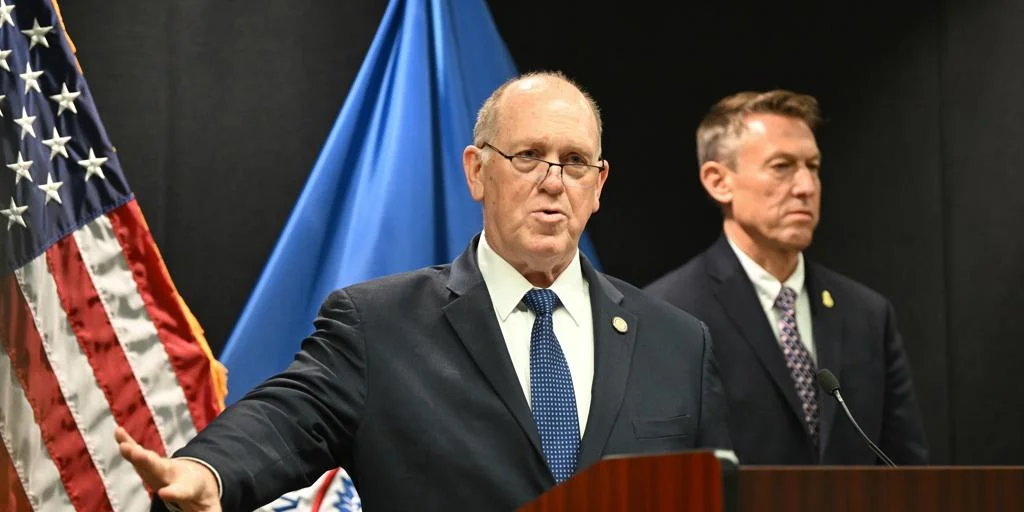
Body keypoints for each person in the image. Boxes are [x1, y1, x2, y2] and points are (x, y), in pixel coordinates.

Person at [117, 71, 731, 511]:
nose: (553, 181)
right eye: (528, 156)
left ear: (598, 185)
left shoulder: (677, 342)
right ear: (477, 171)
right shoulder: (376, 325)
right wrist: (210, 472)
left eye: (574, 162)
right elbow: (285, 419)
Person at [644, 90, 928, 465]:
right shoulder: (667, 313)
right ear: (718, 181)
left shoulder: (868, 315)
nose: (806, 187)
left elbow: (907, 471)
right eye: (782, 166)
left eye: (813, 167)